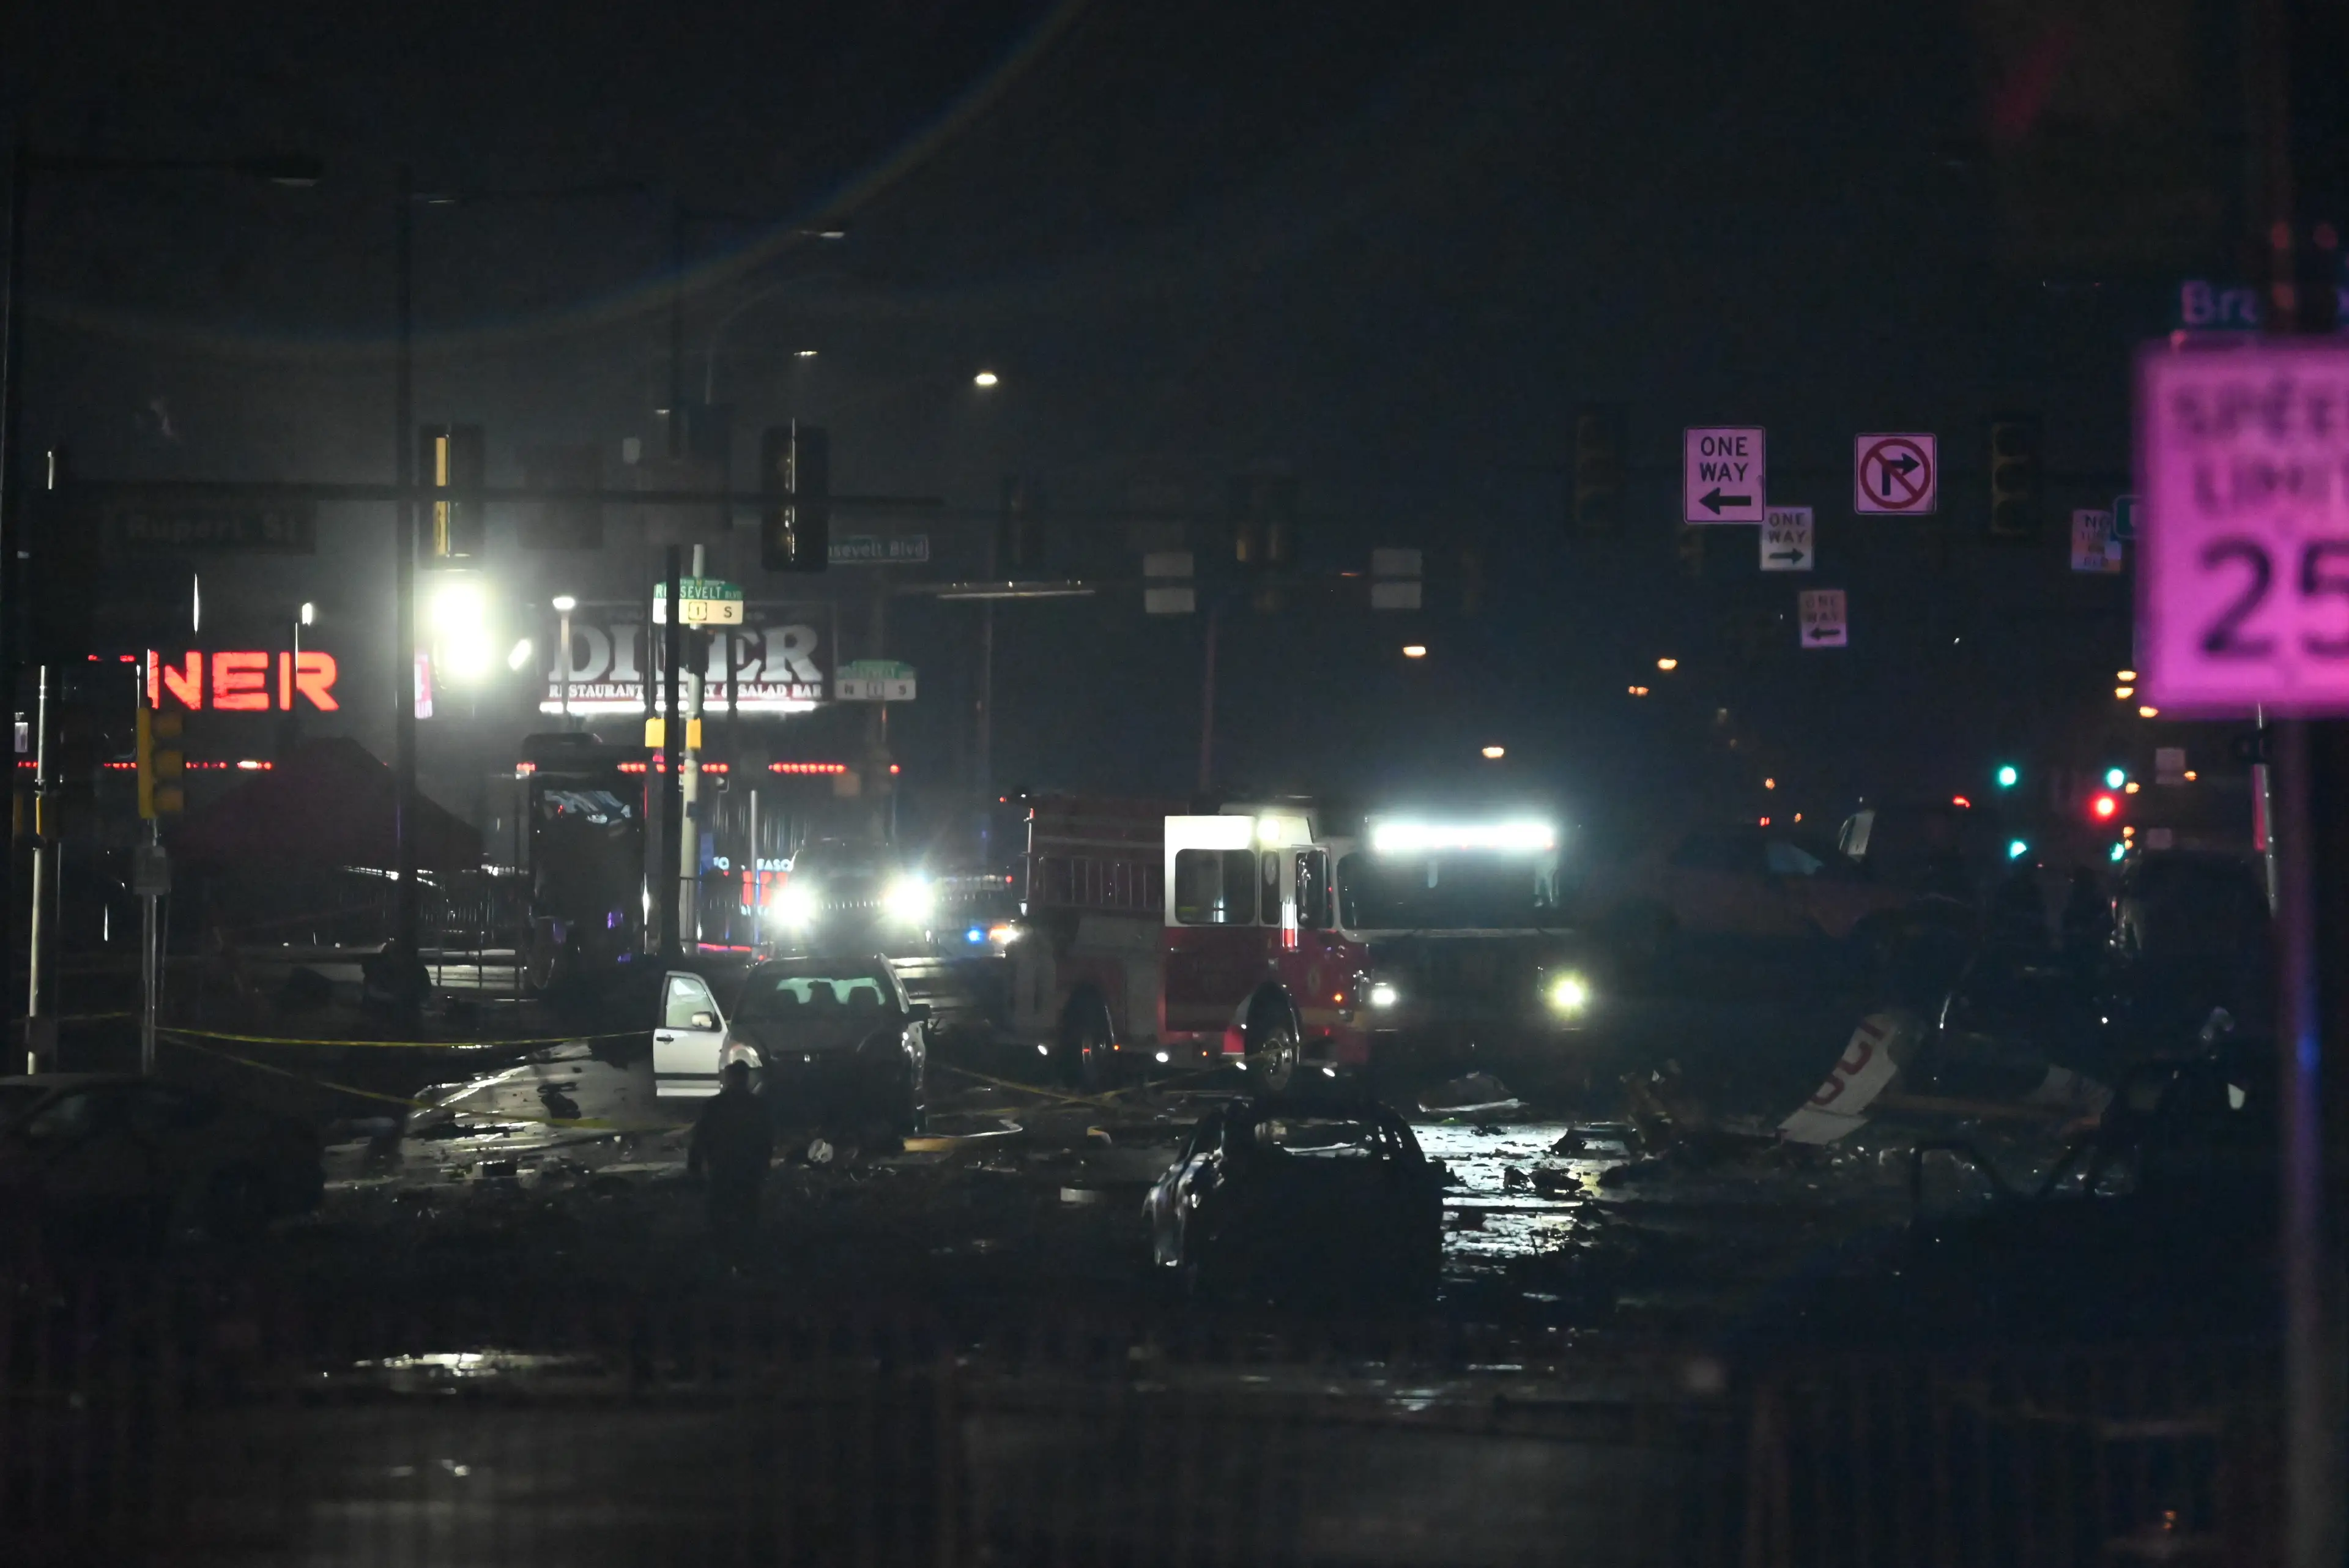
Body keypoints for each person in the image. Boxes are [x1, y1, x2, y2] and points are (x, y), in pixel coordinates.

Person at [688, 1061, 774, 1241]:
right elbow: (766, 1139)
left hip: (722, 1168)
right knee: (747, 1215)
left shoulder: (715, 1106)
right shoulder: (757, 1106)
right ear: (745, 1078)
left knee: (720, 1216)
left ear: (729, 1079)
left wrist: (695, 1167)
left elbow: (700, 1138)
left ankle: (725, 1251)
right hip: (747, 1170)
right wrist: (764, 1166)